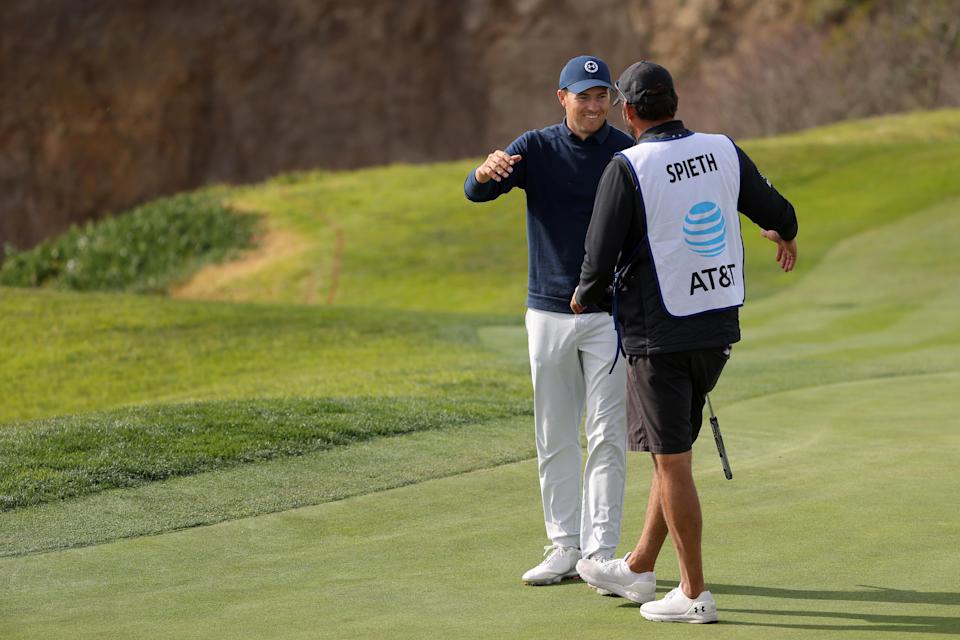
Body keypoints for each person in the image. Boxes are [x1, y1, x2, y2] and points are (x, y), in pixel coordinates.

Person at [571, 60, 798, 623]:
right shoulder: (721, 148)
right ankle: (641, 566)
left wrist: (584, 297)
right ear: (675, 101)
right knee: (669, 451)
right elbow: (779, 213)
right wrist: (782, 233)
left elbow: (597, 263)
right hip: (717, 329)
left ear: (628, 112)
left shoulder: (628, 166)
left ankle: (694, 594)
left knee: (671, 462)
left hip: (660, 334)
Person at [463, 55, 634, 586]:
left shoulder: (629, 153)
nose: (593, 104)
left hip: (610, 315)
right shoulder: (534, 147)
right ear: (561, 98)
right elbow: (477, 191)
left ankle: (600, 553)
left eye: (601, 94)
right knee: (555, 433)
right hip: (548, 312)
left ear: (612, 99)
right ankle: (564, 544)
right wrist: (483, 170)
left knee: (607, 435)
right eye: (583, 95)